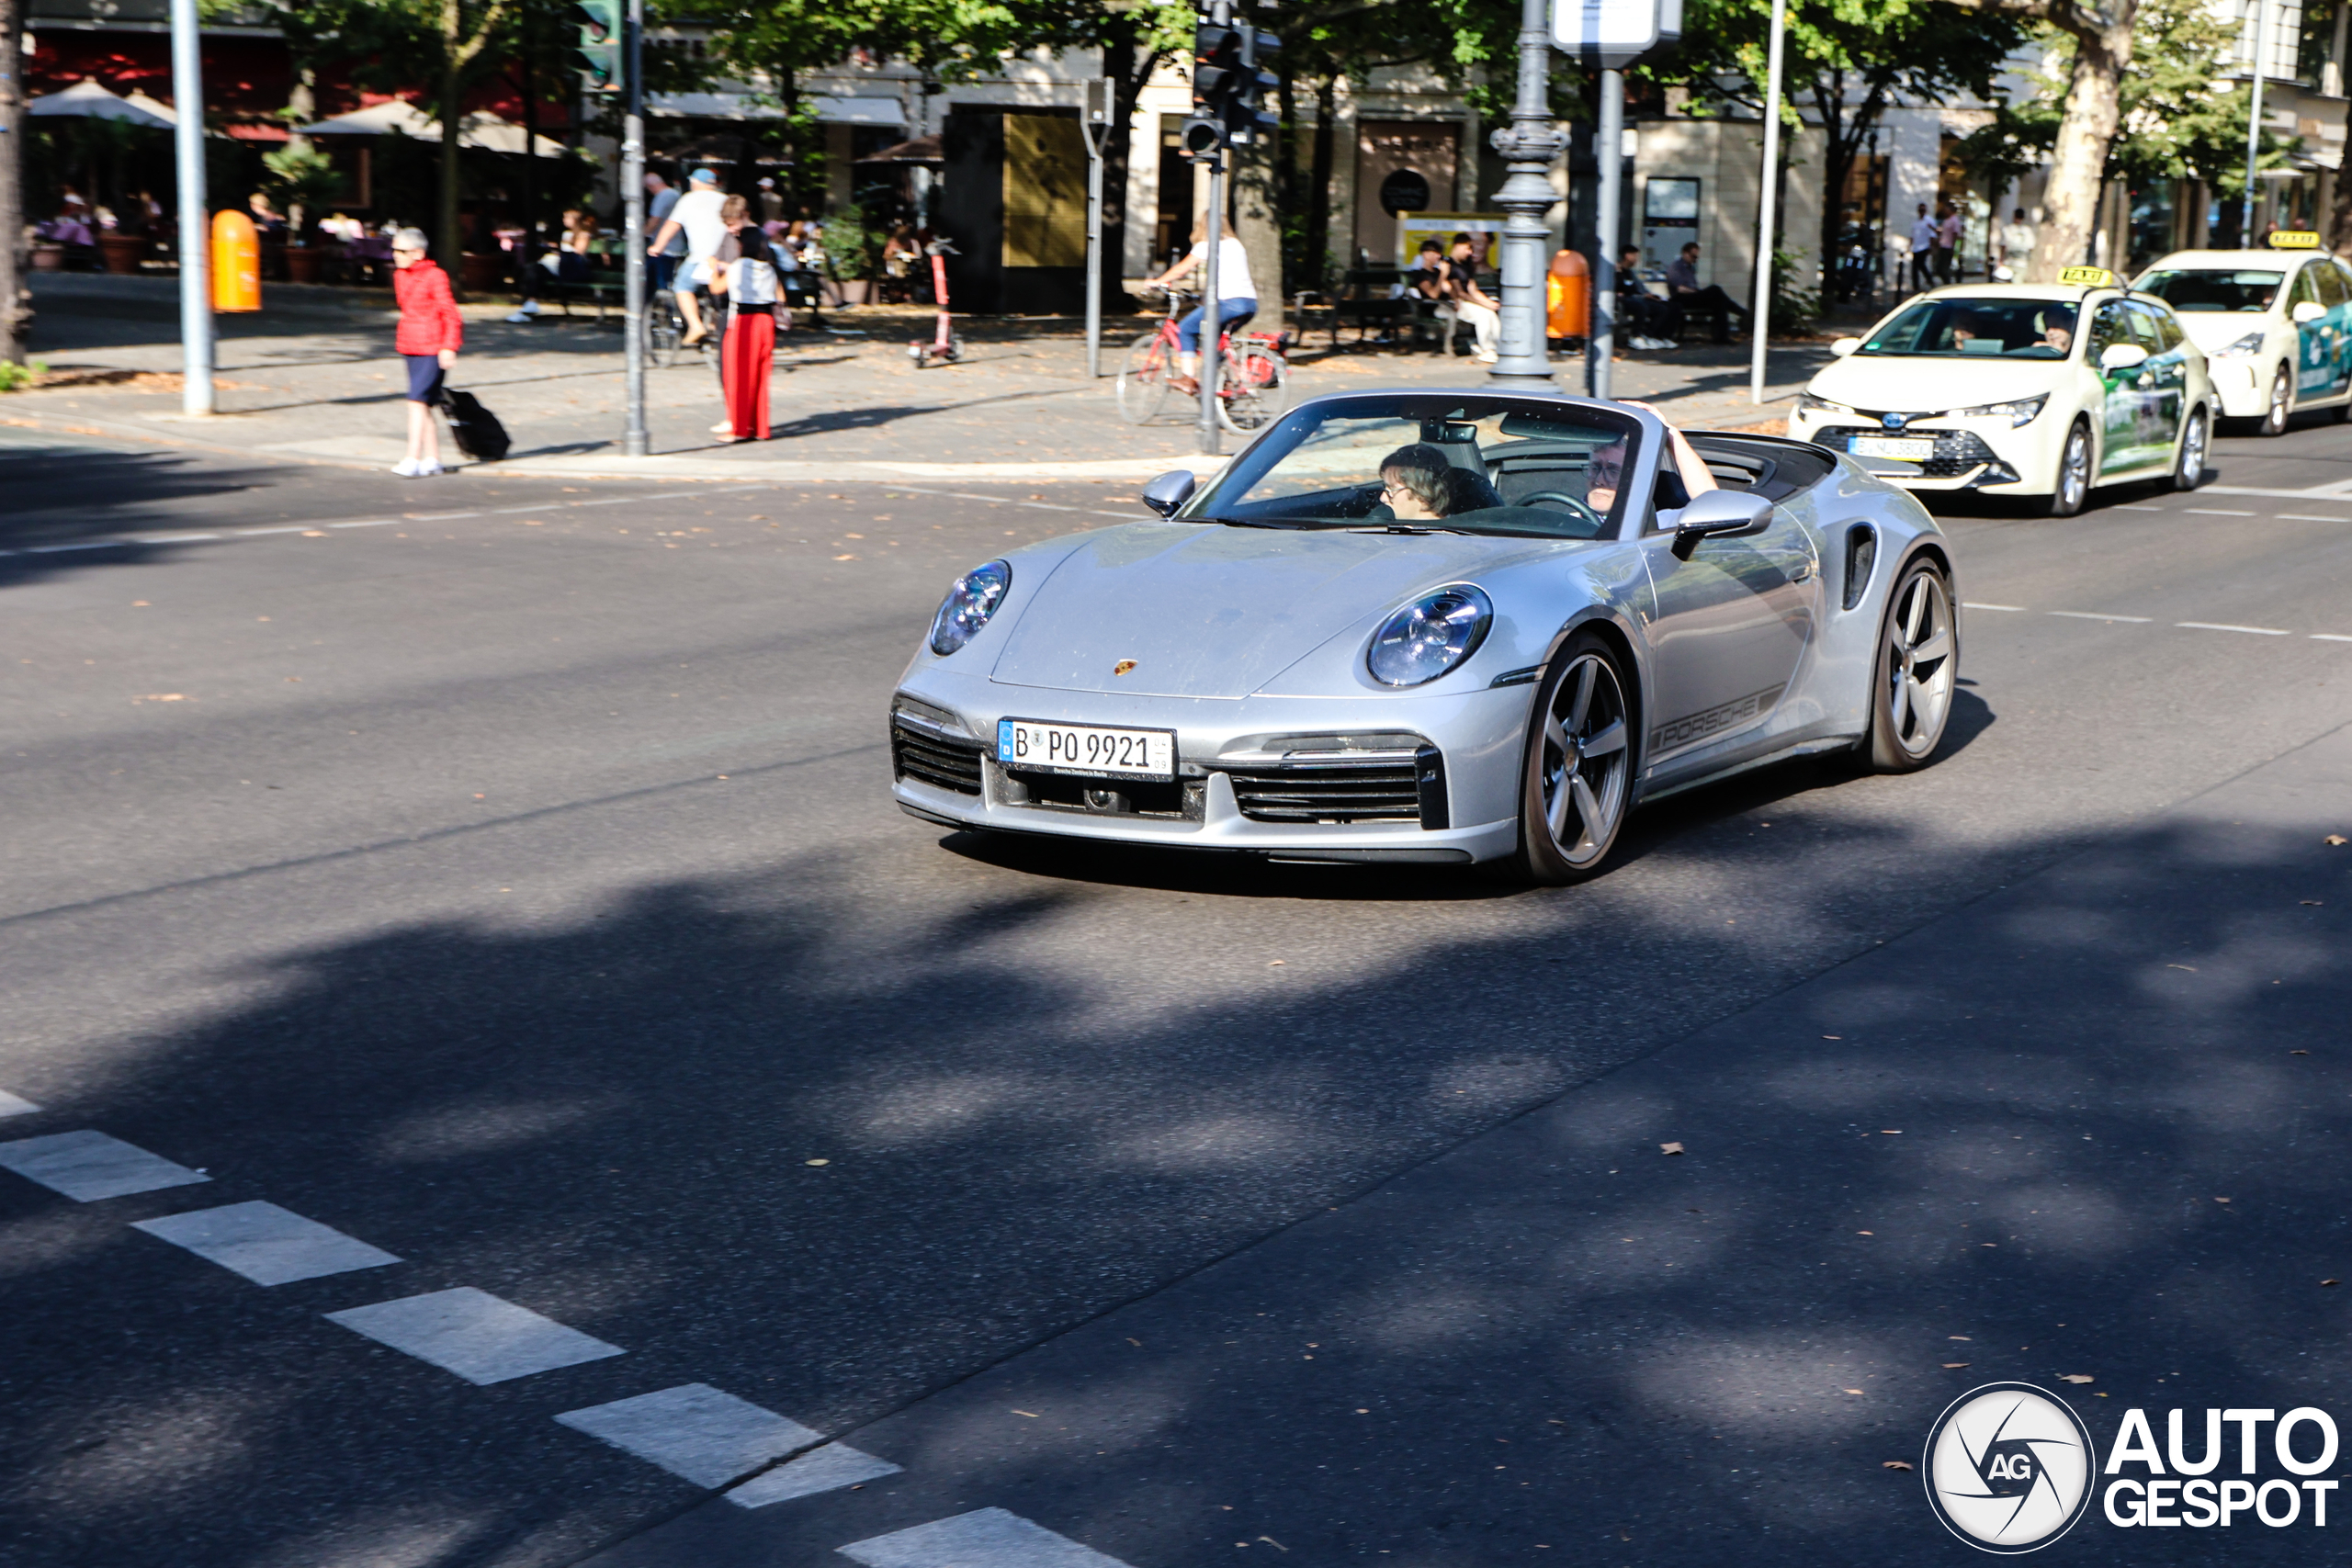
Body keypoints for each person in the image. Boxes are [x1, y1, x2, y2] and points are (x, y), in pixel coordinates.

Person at [1142, 214, 1256, 395]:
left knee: (1185, 330)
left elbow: (1181, 269)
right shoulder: (1236, 244)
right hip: (1249, 303)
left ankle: (1188, 379)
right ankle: (1221, 386)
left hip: (1228, 302)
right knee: (1216, 343)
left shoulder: (1207, 245)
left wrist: (1157, 281)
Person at [390, 228, 461, 478]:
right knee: (424, 404)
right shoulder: (400, 275)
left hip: (433, 347)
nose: (395, 255)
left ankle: (412, 458)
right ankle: (433, 459)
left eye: (401, 250)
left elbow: (450, 313)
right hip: (410, 344)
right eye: (394, 250)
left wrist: (448, 346)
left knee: (416, 402)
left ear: (418, 253)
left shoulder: (435, 276)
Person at [1582, 402, 1720, 515]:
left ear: (1635, 480)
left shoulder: (1657, 525)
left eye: (1613, 471)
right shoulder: (1565, 522)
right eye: (1595, 468)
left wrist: (1669, 433)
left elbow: (1712, 507)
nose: (1599, 480)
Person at [647, 167, 729, 345]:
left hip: (701, 258)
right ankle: (715, 324)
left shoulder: (688, 200)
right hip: (727, 258)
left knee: (682, 286)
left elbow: (671, 226)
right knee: (719, 292)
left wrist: (657, 247)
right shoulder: (726, 200)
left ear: (694, 182)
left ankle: (696, 325)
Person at [720, 219, 782, 442]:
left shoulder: (738, 266)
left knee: (738, 375)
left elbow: (717, 287)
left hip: (744, 321)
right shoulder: (768, 268)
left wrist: (710, 268)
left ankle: (739, 429)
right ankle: (759, 427)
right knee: (761, 375)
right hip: (766, 321)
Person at [1662, 242, 1750, 344]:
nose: (1695, 260)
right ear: (1685, 253)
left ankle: (1722, 337)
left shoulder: (1690, 268)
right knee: (1715, 289)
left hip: (1693, 296)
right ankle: (1741, 312)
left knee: (1720, 302)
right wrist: (1695, 292)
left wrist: (1697, 292)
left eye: (1696, 258)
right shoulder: (1676, 267)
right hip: (1682, 298)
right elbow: (1680, 289)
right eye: (1693, 257)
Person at [1437, 233, 1501, 362]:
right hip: (1454, 303)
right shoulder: (1448, 264)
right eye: (1467, 248)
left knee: (1491, 313)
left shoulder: (1466, 265)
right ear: (1458, 245)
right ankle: (1487, 349)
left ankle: (1498, 347)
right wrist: (1483, 304)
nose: (1470, 252)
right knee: (1482, 315)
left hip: (1467, 301)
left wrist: (1489, 302)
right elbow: (1460, 292)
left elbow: (1473, 289)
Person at [1618, 246, 1676, 348]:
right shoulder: (1617, 271)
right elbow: (1619, 289)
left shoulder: (1631, 273)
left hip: (1636, 298)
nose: (1637, 259)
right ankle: (1635, 336)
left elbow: (1638, 288)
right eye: (1635, 256)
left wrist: (1648, 295)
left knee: (1663, 308)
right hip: (1623, 300)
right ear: (1627, 256)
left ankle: (1650, 335)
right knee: (1642, 307)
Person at [645, 170, 684, 294]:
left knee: (658, 283)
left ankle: (659, 309)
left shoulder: (662, 196)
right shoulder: (674, 194)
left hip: (664, 248)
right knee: (666, 281)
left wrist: (641, 234)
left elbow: (654, 221)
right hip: (675, 245)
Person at [1998, 208, 2036, 275]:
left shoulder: (2007, 229)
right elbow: (2031, 247)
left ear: (2014, 216)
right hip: (2022, 262)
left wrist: (2000, 261)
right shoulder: (2027, 230)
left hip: (2009, 261)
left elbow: (2003, 246)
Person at [1908, 202, 1936, 291]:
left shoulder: (1929, 221)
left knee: (1920, 265)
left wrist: (1931, 247)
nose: (1921, 211)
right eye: (1920, 210)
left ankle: (1929, 280)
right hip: (1916, 247)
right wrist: (1909, 246)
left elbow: (1932, 234)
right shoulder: (1916, 222)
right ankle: (1916, 286)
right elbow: (1912, 235)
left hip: (1924, 246)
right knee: (1916, 267)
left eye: (1923, 210)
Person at [1935, 200, 1963, 284]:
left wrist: (1953, 247)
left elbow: (1955, 234)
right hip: (1943, 245)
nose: (1944, 211)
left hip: (1948, 247)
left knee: (1943, 267)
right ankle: (1946, 282)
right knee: (1939, 267)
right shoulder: (1947, 220)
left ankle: (1948, 283)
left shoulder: (1954, 220)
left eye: (1946, 209)